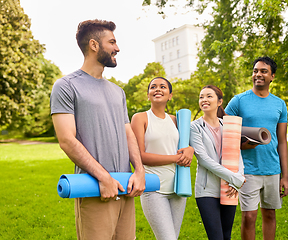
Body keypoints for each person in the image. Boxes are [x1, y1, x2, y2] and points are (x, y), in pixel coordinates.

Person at [50, 19, 146, 240]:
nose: (117, 48)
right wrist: (103, 177)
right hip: (95, 188)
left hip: (124, 187)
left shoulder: (117, 91)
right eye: (112, 42)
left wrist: (139, 170)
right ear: (94, 45)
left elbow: (127, 132)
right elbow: (66, 139)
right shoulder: (66, 86)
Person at [224, 56, 288, 240]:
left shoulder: (280, 104)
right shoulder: (238, 101)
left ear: (272, 76)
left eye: (263, 71)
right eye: (255, 71)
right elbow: (224, 132)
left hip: (272, 169)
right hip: (248, 169)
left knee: (270, 214)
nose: (258, 74)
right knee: (249, 215)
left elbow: (282, 141)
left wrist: (284, 176)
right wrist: (243, 146)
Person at [130, 77, 194, 240]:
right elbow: (141, 156)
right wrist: (175, 158)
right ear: (148, 94)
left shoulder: (176, 120)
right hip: (154, 188)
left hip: (178, 187)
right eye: (153, 87)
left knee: (173, 237)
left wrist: (190, 150)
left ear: (170, 95)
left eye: (163, 87)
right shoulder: (141, 118)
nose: (157, 89)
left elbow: (187, 145)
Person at [189, 85, 246, 240]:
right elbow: (203, 159)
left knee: (226, 236)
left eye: (209, 96)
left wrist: (238, 178)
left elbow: (237, 153)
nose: (204, 100)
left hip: (230, 187)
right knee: (216, 238)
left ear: (220, 101)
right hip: (207, 190)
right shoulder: (194, 127)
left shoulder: (228, 125)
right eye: (201, 97)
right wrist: (234, 178)